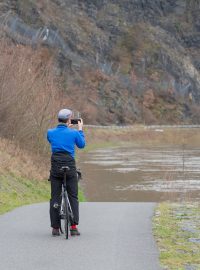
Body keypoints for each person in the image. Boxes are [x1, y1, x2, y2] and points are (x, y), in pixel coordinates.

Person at [47, 108, 86, 236]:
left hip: (56, 168)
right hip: (70, 168)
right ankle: (74, 227)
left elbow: (53, 140)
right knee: (73, 196)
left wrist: (66, 128)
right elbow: (81, 145)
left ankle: (55, 228)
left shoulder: (50, 132)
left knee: (55, 197)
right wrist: (80, 130)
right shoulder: (74, 133)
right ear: (69, 119)